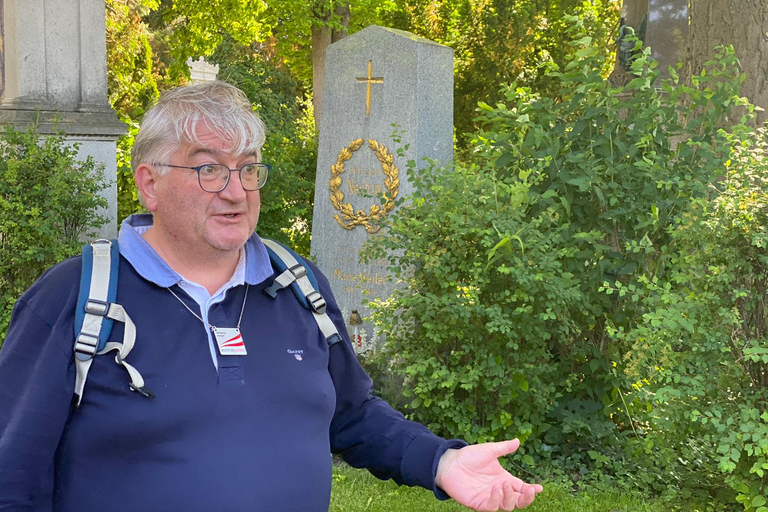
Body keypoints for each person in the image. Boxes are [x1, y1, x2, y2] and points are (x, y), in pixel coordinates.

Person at [0, 81, 543, 511]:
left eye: (248, 168)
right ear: (150, 183)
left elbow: (350, 414)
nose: (236, 191)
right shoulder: (77, 298)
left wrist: (441, 463)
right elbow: (12, 473)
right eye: (208, 168)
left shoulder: (296, 285)